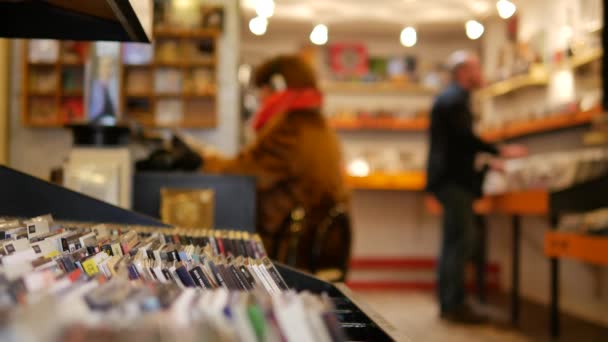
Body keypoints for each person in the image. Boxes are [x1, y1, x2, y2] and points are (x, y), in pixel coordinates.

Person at [196, 55, 350, 276]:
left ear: (278, 87)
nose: (260, 98)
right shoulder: (315, 123)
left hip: (289, 246)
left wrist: (205, 159)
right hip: (314, 242)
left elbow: (251, 171)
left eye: (262, 90)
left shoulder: (290, 128)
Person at [426, 50, 527, 323]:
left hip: (448, 179)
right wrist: (497, 152)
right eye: (475, 68)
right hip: (454, 181)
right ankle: (454, 304)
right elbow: (464, 140)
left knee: (455, 241)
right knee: (462, 240)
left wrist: (487, 160)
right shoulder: (455, 99)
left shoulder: (451, 99)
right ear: (463, 72)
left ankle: (450, 302)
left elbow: (458, 143)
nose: (480, 74)